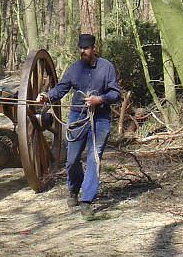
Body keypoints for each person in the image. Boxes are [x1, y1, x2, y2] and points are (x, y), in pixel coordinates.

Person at [36, 34, 120, 218]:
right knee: (72, 159)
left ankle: (86, 200)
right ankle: (74, 189)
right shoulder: (74, 68)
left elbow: (116, 94)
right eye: (81, 48)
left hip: (100, 119)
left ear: (93, 48)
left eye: (87, 48)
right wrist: (48, 96)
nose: (83, 51)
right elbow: (62, 88)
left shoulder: (107, 67)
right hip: (77, 117)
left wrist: (100, 99)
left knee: (94, 159)